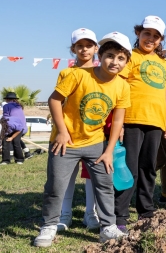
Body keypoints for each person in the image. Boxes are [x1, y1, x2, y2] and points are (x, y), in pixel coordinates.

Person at [34, 31, 132, 247]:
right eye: (110, 56)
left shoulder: (123, 86)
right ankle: (49, 225)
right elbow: (54, 100)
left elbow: (117, 121)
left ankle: (108, 227)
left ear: (127, 61)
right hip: (65, 142)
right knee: (56, 185)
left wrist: (109, 150)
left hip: (96, 143)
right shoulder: (77, 75)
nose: (114, 62)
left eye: (121, 58)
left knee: (105, 184)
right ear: (101, 55)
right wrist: (61, 130)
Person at [115, 16, 166, 232]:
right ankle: (120, 216)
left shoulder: (163, 63)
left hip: (156, 122)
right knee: (129, 170)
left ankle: (145, 212)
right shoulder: (130, 57)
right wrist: (118, 122)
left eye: (156, 36)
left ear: (160, 40)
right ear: (138, 33)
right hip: (132, 119)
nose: (151, 38)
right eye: (147, 33)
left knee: (149, 168)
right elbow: (120, 86)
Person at [54, 28, 100, 231]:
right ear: (73, 48)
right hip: (69, 134)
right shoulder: (66, 73)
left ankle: (91, 213)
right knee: (67, 175)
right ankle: (65, 213)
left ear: (96, 48)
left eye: (89, 45)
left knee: (93, 176)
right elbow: (58, 102)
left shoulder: (102, 73)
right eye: (79, 46)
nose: (84, 49)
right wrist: (62, 130)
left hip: (93, 135)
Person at [2, 92, 27, 164]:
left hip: (11, 126)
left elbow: (6, 117)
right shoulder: (19, 106)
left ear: (7, 99)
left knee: (5, 141)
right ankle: (19, 160)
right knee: (16, 142)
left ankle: (6, 160)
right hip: (21, 127)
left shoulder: (6, 106)